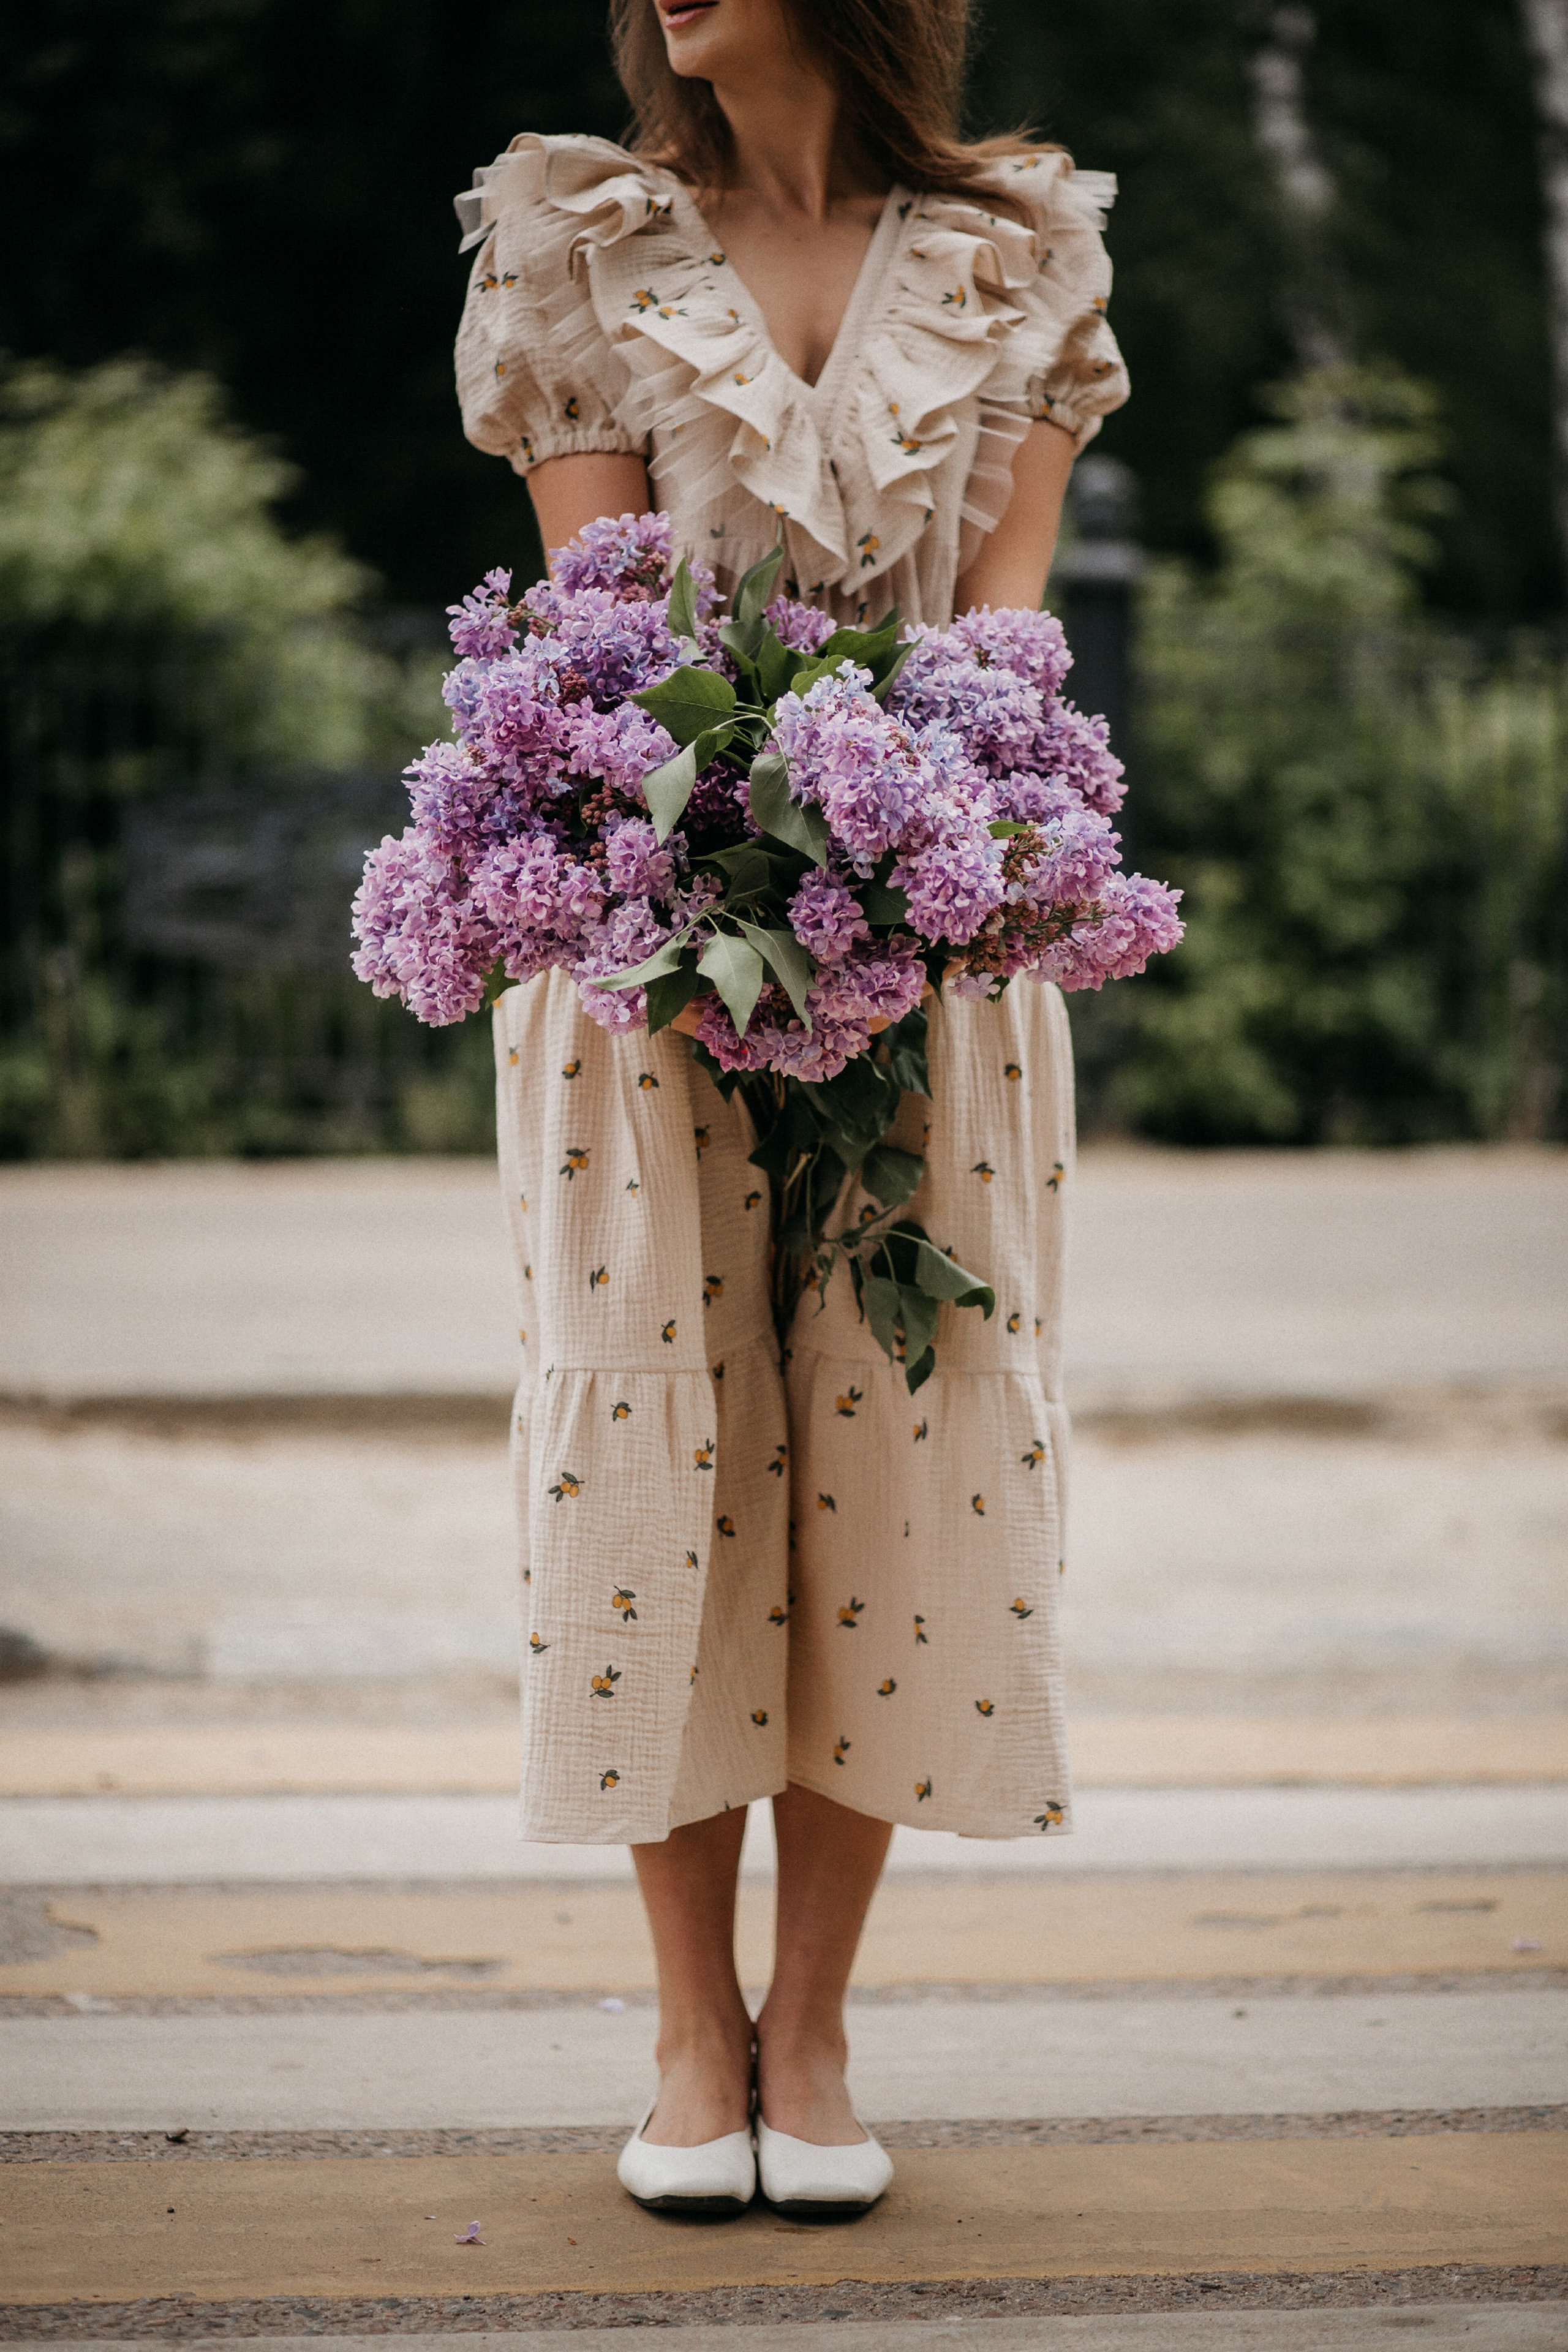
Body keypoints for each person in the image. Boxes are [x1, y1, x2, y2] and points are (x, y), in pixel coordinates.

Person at [453, 0, 1128, 2217]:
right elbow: (602, 635)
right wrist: (737, 845)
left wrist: (937, 841)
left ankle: (813, 2034)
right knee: (668, 1454)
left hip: (932, 960)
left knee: (890, 1451)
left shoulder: (1016, 249)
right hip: (651, 956)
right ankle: (687, 2034)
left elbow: (1005, 631)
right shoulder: (579, 237)